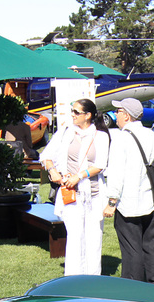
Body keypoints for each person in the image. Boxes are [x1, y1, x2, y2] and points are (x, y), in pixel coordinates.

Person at [42, 98, 110, 276]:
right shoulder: (65, 132)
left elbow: (100, 165)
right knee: (74, 236)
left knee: (94, 237)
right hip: (70, 193)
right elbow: (47, 156)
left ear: (88, 116)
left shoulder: (101, 136)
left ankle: (92, 278)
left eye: (76, 112)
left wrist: (78, 177)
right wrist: (53, 171)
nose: (72, 115)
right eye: (72, 111)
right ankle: (73, 278)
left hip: (93, 194)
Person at [103, 98, 154, 285]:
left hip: (128, 202)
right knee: (152, 244)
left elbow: (116, 173)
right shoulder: (153, 136)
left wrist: (111, 201)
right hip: (151, 199)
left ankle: (133, 286)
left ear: (126, 115)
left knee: (131, 248)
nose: (116, 115)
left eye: (119, 111)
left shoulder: (121, 139)